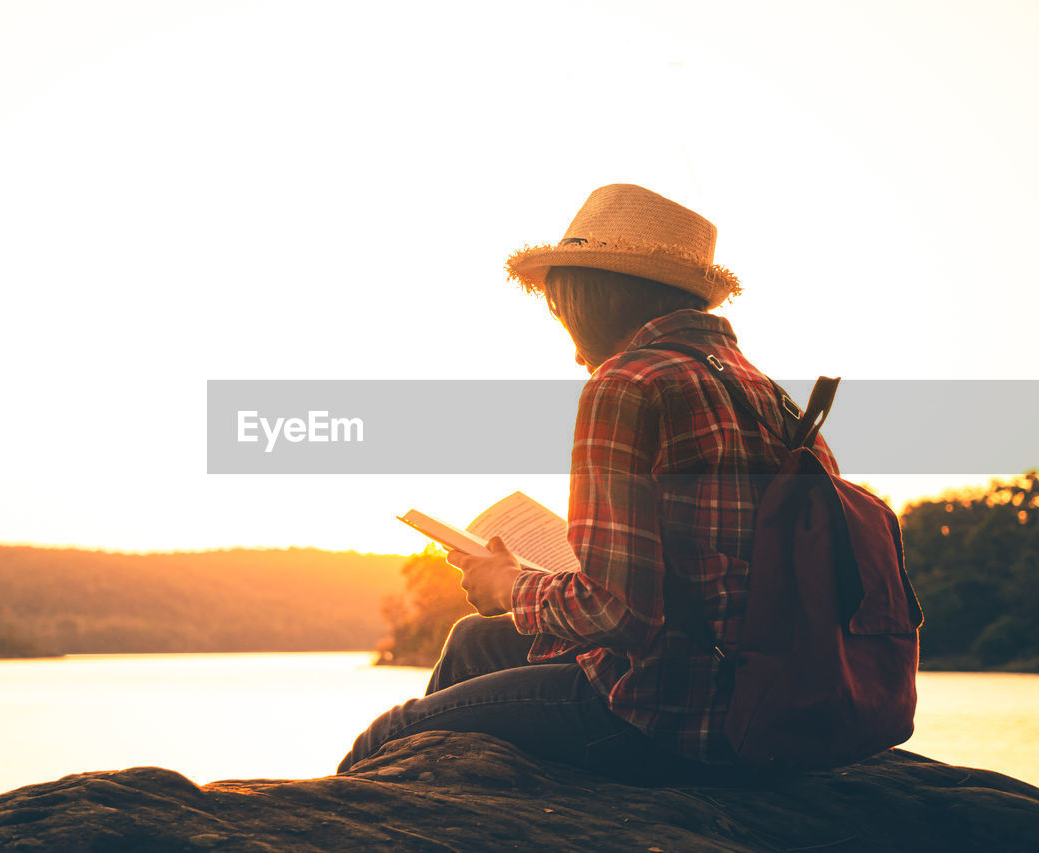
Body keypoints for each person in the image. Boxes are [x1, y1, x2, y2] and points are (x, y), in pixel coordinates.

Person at [337, 184, 839, 783]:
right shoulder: (768, 394)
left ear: (589, 297)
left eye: (560, 308)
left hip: (674, 717)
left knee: (393, 733)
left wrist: (510, 585)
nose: (569, 339)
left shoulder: (627, 383)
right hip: (766, 696)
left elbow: (618, 612)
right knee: (474, 640)